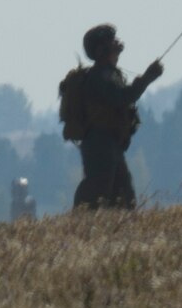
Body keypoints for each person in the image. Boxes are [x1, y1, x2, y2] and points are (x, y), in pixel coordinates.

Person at [68, 24, 163, 210]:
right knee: (97, 192)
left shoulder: (109, 74)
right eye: (111, 41)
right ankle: (78, 225)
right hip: (98, 143)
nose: (117, 43)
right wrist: (147, 78)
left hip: (110, 143)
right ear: (101, 49)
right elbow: (121, 97)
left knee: (124, 196)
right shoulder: (98, 76)